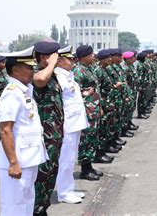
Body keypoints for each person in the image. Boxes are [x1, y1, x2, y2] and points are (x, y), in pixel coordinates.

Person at [0, 47, 48, 216]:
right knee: (14, 207)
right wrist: (13, 162)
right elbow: (5, 129)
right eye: (29, 67)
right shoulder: (11, 94)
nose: (33, 71)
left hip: (29, 158)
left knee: (26, 203)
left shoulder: (24, 91)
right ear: (16, 70)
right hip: (17, 161)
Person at [32, 41, 63, 216]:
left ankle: (43, 207)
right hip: (44, 134)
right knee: (42, 174)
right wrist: (51, 63)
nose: (58, 59)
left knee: (51, 172)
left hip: (55, 133)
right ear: (45, 57)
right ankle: (36, 208)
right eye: (54, 55)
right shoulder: (37, 73)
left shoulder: (52, 75)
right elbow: (40, 80)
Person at [55, 46, 89, 204]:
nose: (73, 61)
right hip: (67, 125)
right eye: (69, 58)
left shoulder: (68, 75)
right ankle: (63, 192)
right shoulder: (58, 76)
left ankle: (69, 188)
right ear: (60, 61)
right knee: (65, 160)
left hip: (75, 123)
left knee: (71, 159)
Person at [73, 45, 106, 175]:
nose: (93, 56)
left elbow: (95, 91)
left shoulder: (88, 69)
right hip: (86, 112)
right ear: (83, 57)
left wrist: (99, 108)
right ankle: (85, 169)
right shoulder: (78, 71)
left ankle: (89, 166)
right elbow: (75, 92)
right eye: (91, 55)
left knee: (92, 139)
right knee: (85, 141)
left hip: (93, 110)